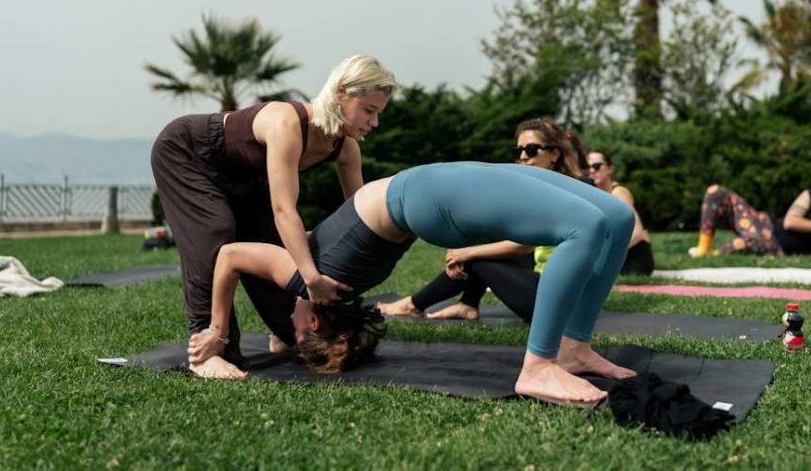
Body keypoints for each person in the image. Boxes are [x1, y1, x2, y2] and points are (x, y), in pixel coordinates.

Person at [188, 161, 636, 406]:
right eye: (299, 334)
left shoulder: (316, 279)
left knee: (615, 217)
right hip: (428, 195)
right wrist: (219, 331)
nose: (288, 327)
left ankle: (573, 348)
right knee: (585, 227)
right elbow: (229, 256)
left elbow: (236, 256)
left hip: (429, 188)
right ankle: (539, 366)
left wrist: (231, 331)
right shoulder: (307, 284)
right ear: (320, 321)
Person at [150, 54, 397, 377]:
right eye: (369, 110)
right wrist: (311, 279)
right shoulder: (287, 123)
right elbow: (284, 209)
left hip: (245, 178)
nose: (374, 123)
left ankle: (283, 331)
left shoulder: (346, 148)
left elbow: (359, 216)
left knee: (269, 247)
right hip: (188, 153)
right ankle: (207, 348)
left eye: (378, 113)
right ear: (341, 93)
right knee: (215, 232)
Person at [376, 118, 584, 323]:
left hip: (559, 299)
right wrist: (466, 250)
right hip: (553, 290)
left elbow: (523, 246)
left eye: (531, 150)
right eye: (517, 151)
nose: (522, 157)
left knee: (478, 258)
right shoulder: (540, 189)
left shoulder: (560, 191)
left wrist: (466, 254)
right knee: (486, 247)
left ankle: (414, 305)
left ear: (554, 154)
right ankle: (468, 303)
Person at [688, 166, 811, 257]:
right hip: (765, 227)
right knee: (716, 192)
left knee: (747, 244)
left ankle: (717, 253)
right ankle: (704, 247)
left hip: (774, 248)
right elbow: (790, 221)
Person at [586, 150, 654, 276]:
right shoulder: (595, 195)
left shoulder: (618, 192)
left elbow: (638, 233)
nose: (592, 171)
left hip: (635, 255)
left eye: (596, 166)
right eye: (588, 167)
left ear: (610, 169)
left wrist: (605, 255)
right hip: (618, 254)